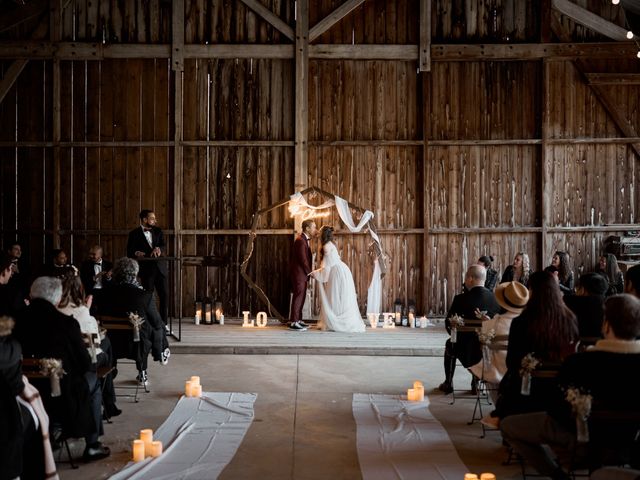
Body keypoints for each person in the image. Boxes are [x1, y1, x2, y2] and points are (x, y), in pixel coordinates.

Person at [501, 294, 640, 479]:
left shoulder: (579, 363)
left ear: (606, 325)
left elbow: (555, 406)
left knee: (509, 425)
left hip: (580, 440)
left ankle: (556, 475)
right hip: (630, 444)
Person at [13, 276, 110, 461]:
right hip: (62, 392)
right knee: (94, 382)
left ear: (32, 294)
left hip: (24, 389)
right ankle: (92, 444)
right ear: (58, 299)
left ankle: (53, 431)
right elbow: (84, 363)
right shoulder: (67, 323)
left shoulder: (16, 320)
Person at [485, 272, 578, 426]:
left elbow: (512, 362)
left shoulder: (522, 322)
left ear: (532, 292)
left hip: (527, 391)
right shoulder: (570, 319)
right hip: (561, 390)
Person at [97, 257, 169, 387]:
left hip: (111, 343)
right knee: (155, 324)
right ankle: (151, 362)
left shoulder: (104, 294)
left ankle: (110, 372)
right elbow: (157, 322)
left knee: (147, 324)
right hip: (137, 344)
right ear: (135, 274)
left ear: (117, 273)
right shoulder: (145, 295)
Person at [58, 270, 121, 418]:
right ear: (80, 289)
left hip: (61, 358)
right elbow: (94, 342)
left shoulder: (56, 309)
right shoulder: (81, 311)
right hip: (81, 361)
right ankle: (109, 400)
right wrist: (87, 310)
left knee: (106, 346)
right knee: (105, 350)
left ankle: (110, 397)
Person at [438, 265, 500, 394]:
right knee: (477, 346)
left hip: (463, 347)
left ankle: (448, 383)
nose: (465, 280)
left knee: (450, 343)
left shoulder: (460, 299)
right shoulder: (495, 300)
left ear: (471, 278)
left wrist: (456, 336)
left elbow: (449, 323)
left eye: (466, 276)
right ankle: (476, 382)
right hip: (487, 349)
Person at [468, 281, 529, 403]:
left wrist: (488, 322)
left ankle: (500, 404)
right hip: (522, 374)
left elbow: (479, 347)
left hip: (496, 373)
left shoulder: (491, 324)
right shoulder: (530, 323)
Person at [311, 226, 365, 333]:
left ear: (322, 235)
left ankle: (337, 321)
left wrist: (316, 273)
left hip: (337, 272)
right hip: (342, 270)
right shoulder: (331, 244)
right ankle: (340, 320)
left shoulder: (326, 246)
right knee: (341, 296)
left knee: (335, 296)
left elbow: (326, 268)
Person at [127, 210, 168, 329]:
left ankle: (164, 324)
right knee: (148, 298)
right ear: (144, 220)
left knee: (164, 295)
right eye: (152, 218)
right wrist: (136, 252)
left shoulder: (158, 231)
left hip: (160, 269)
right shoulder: (134, 234)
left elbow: (163, 244)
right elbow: (129, 251)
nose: (155, 220)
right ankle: (150, 323)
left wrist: (159, 249)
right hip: (146, 271)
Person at [289, 219, 318, 331]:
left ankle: (299, 320)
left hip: (302, 275)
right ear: (307, 228)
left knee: (301, 297)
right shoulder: (300, 240)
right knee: (298, 297)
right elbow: (303, 260)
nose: (315, 229)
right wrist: (311, 272)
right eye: (313, 227)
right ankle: (294, 322)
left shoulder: (304, 240)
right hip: (299, 274)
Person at [564, 272, 608, 339]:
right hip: (602, 345)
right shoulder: (609, 305)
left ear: (582, 289)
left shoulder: (571, 302)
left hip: (577, 346)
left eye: (578, 287)